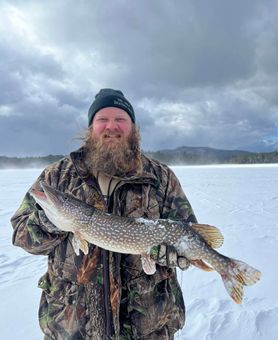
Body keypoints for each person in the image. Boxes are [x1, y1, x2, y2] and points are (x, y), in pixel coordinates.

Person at [11, 88, 197, 340]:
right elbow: (21, 234)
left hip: (147, 329)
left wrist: (174, 254)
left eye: (121, 119)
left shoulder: (160, 178)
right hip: (72, 329)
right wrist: (49, 219)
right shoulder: (57, 176)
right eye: (102, 120)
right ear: (91, 127)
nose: (112, 126)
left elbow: (188, 231)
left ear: (133, 128)